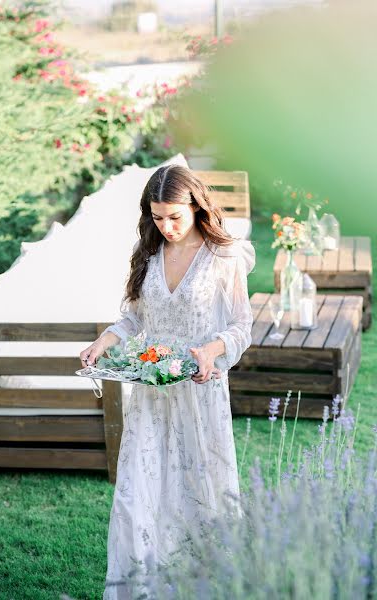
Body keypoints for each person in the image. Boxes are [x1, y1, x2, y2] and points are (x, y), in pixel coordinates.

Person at [80, 165, 255, 599]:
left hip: (200, 392)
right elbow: (133, 316)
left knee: (200, 492)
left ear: (197, 206)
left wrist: (211, 351)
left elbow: (241, 325)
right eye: (158, 217)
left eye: (175, 216)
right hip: (150, 397)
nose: (167, 226)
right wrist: (103, 342)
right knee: (138, 493)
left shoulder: (224, 257)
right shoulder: (149, 252)